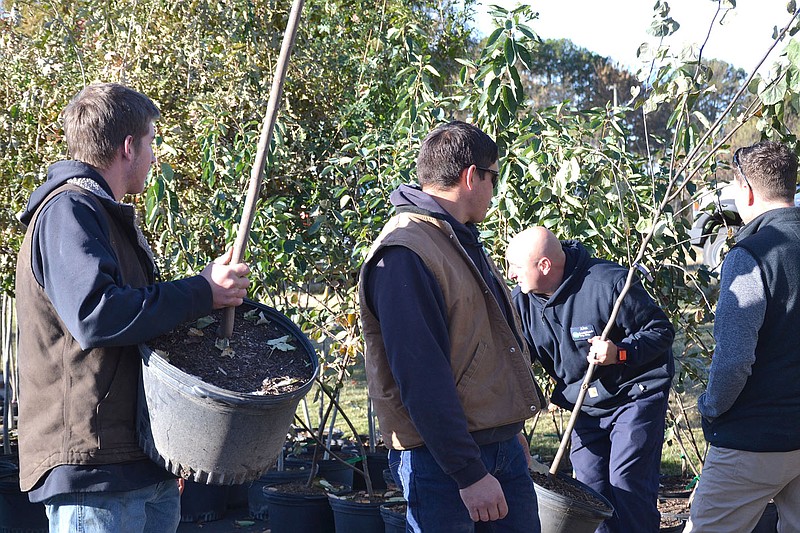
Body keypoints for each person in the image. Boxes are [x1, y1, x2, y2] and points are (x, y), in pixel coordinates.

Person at [14, 82, 250, 532]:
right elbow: (97, 315)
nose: (154, 155)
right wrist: (201, 291)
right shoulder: (68, 211)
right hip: (95, 470)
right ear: (128, 147)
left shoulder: (101, 214)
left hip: (139, 461)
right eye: (151, 142)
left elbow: (138, 322)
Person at [358, 120, 544, 532]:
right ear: (470, 176)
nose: (495, 190)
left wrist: (507, 428)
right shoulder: (406, 253)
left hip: (495, 447)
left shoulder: (456, 238)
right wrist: (469, 473)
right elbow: (420, 377)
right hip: (442, 463)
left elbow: (483, 341)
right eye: (493, 177)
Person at [506, 226, 675, 533]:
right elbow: (517, 362)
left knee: (626, 481)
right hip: (585, 401)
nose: (511, 275)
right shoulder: (522, 302)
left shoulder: (608, 282)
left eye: (517, 268)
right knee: (587, 488)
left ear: (543, 266)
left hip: (634, 394)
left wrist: (620, 353)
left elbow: (661, 332)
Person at [683, 141, 800, 532]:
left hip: (753, 438)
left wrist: (711, 407)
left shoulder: (750, 255)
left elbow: (734, 359)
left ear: (746, 190)